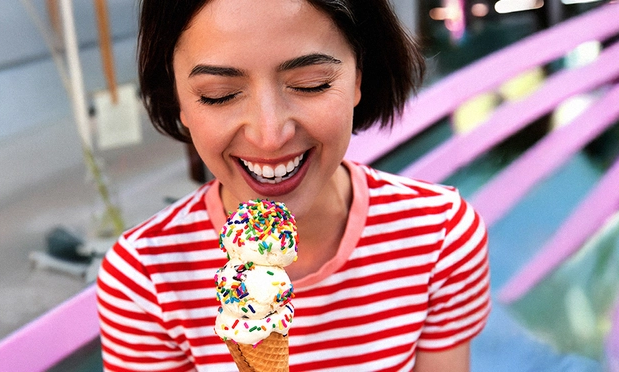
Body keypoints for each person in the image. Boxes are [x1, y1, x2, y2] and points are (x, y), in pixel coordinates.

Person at [96, 0, 490, 370]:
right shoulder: (145, 279)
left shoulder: (439, 235)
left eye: (310, 84)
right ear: (179, 98)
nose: (269, 136)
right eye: (220, 95)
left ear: (358, 77)